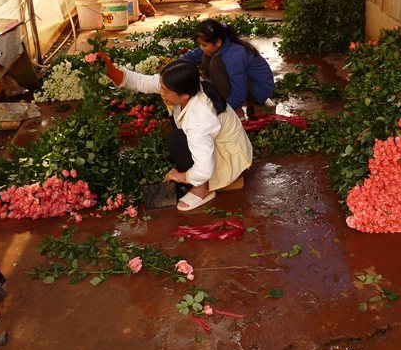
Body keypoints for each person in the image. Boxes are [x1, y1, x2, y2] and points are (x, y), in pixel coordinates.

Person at [97, 53, 252, 211]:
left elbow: (204, 170)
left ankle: (203, 189)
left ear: (184, 95)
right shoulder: (187, 86)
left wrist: (180, 176)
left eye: (165, 90)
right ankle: (195, 175)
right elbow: (142, 82)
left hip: (229, 159)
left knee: (176, 139)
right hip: (210, 142)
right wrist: (110, 71)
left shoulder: (199, 117)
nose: (161, 93)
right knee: (177, 131)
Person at [181, 19, 275, 116]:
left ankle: (237, 112)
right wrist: (174, 64)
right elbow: (195, 54)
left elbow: (239, 93)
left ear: (218, 42)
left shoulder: (234, 56)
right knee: (206, 56)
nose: (201, 47)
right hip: (248, 84)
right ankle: (225, 99)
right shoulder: (222, 43)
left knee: (215, 63)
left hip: (259, 91)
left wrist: (219, 109)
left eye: (204, 45)